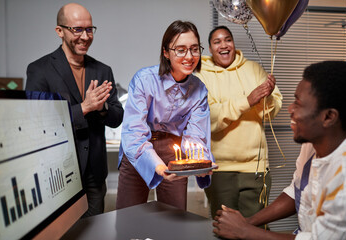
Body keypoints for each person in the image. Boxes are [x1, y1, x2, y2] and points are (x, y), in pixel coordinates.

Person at [213, 61, 346, 239]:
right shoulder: (313, 144)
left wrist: (245, 231)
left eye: (298, 104)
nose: (290, 109)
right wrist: (247, 222)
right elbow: (298, 190)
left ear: (328, 117)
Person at [25, 3, 124, 217]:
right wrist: (85, 108)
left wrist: (103, 107)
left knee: (94, 232)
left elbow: (117, 118)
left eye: (89, 29)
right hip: (56, 174)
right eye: (77, 29)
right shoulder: (39, 70)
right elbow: (37, 124)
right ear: (59, 31)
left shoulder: (102, 69)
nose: (85, 36)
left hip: (95, 174)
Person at [116, 20, 214, 211]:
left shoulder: (199, 89)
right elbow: (134, 132)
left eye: (195, 49)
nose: (189, 56)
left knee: (174, 217)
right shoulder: (144, 80)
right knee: (129, 217)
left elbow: (196, 136)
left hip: (174, 152)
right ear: (166, 52)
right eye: (181, 50)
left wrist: (201, 162)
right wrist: (158, 167)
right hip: (139, 150)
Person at [195, 26, 283, 219]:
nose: (223, 45)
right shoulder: (200, 75)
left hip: (256, 168)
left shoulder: (254, 69)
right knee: (224, 229)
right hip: (219, 169)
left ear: (233, 44)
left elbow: (272, 111)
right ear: (209, 48)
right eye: (217, 42)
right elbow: (207, 118)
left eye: (228, 40)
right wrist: (247, 101)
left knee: (256, 229)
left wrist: (265, 98)